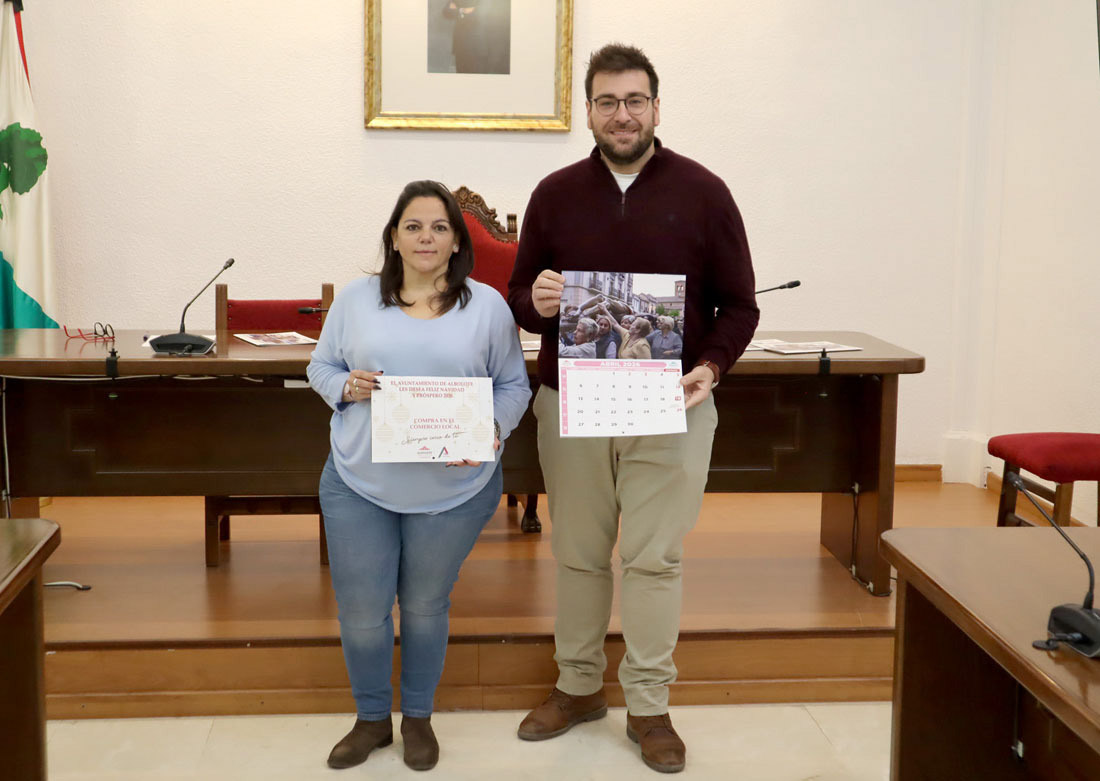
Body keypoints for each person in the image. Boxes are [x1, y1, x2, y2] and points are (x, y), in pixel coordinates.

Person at [506, 44, 758, 774]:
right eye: (608, 101)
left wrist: (710, 366)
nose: (623, 114)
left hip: (669, 403)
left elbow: (739, 306)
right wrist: (539, 301)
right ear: (588, 109)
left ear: (656, 106)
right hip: (572, 403)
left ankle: (648, 704)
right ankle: (579, 686)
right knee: (579, 555)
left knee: (654, 559)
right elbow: (522, 295)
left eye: (635, 100)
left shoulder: (706, 192)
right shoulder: (554, 193)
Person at [307, 180, 531, 772]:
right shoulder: (356, 300)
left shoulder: (487, 306)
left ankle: (419, 718)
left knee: (426, 605)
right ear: (394, 237)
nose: (426, 237)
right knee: (361, 610)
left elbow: (513, 386)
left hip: (453, 490)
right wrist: (344, 386)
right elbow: (321, 365)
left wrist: (493, 431)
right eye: (413, 226)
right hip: (359, 480)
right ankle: (372, 719)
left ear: (457, 239)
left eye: (438, 227)